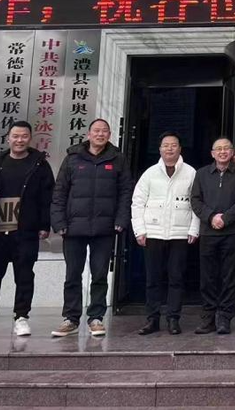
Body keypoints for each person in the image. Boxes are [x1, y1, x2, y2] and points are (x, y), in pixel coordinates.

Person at [0, 121, 54, 339]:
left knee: (24, 276)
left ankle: (21, 317)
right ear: (8, 138)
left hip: (24, 231)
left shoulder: (39, 165)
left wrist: (45, 225)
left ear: (30, 138)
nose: (19, 140)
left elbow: (47, 199)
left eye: (24, 136)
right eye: (15, 136)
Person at [51, 118, 133, 338]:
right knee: (72, 275)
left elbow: (126, 192)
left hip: (104, 228)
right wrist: (59, 222)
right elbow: (59, 192)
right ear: (88, 134)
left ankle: (96, 318)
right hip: (73, 228)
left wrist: (121, 220)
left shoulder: (118, 159)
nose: (100, 134)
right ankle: (70, 318)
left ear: (109, 135)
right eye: (96, 131)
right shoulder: (72, 158)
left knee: (99, 275)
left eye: (104, 131)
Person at [130, 132, 200, 336]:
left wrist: (194, 228)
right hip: (153, 233)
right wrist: (139, 230)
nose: (170, 148)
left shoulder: (191, 172)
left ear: (180, 149)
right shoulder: (150, 173)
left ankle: (173, 319)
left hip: (180, 234)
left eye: (173, 145)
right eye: (165, 145)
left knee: (176, 278)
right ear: (159, 149)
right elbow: (137, 202)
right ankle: (152, 319)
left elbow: (197, 203)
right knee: (153, 279)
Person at [190, 136, 235, 335]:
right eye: (219, 149)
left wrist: (225, 218)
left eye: (226, 148)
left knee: (228, 276)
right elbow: (195, 200)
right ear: (212, 153)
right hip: (208, 232)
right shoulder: (202, 174)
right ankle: (208, 317)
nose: (223, 152)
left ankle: (224, 317)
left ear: (232, 152)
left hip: (232, 231)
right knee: (208, 276)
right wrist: (211, 217)